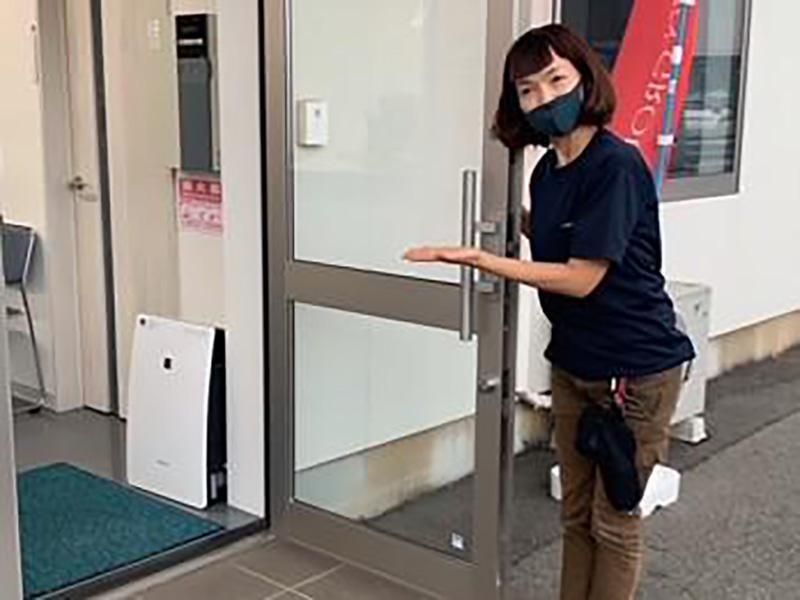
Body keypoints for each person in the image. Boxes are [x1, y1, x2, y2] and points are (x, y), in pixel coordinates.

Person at [404, 24, 695, 600]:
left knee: (615, 521)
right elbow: (560, 239)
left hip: (636, 370)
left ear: (586, 79)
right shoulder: (547, 171)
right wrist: (507, 221)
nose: (544, 98)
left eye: (556, 80)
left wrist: (483, 259)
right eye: (527, 89)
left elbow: (583, 277)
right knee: (575, 516)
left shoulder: (615, 166)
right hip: (574, 364)